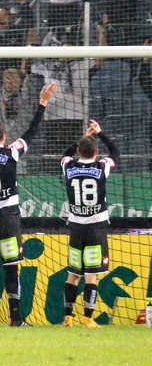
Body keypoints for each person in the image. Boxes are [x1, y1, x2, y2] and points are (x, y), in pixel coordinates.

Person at [0, 81, 58, 326]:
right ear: (5, 137)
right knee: (11, 268)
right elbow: (31, 131)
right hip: (8, 219)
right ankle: (15, 318)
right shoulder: (11, 152)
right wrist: (43, 102)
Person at [60, 120, 119, 329]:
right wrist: (100, 134)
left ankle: (68, 318)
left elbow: (64, 155)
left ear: (78, 151)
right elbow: (115, 153)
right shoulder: (102, 167)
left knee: (73, 274)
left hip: (75, 227)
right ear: (96, 151)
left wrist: (81, 140)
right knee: (91, 276)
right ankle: (87, 318)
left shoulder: (68, 166)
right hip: (95, 227)